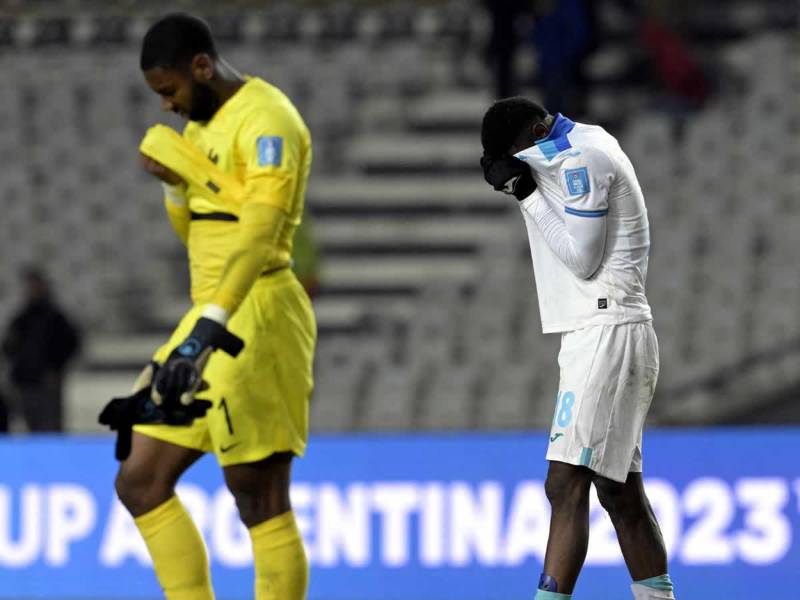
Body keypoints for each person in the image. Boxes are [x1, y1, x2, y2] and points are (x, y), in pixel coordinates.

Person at [106, 14, 316, 600]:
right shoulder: (199, 128)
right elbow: (199, 234)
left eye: (169, 89)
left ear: (201, 67)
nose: (167, 105)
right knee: (140, 480)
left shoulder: (268, 119)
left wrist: (209, 328)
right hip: (209, 312)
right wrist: (174, 186)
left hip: (260, 310)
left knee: (257, 493)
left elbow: (259, 235)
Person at [480, 98, 676, 600]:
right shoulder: (583, 140)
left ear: (534, 133)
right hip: (601, 328)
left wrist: (525, 193)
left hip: (607, 329)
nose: (521, 166)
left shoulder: (581, 159)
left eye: (518, 155)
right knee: (619, 491)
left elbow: (583, 259)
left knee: (564, 482)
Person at [2, 267, 80, 432]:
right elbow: (8, 347)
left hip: (47, 385)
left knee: (50, 428)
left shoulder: (55, 318)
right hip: (25, 384)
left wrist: (56, 370)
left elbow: (72, 345)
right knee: (30, 427)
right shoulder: (21, 319)